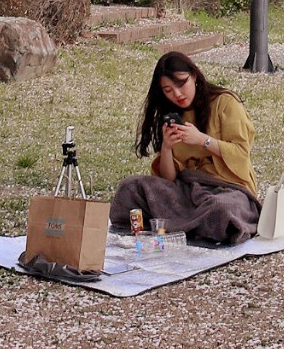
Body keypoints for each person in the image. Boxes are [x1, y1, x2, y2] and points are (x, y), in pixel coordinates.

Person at [110, 51, 261, 245]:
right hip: (189, 191)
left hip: (229, 190)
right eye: (168, 90)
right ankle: (189, 226)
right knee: (130, 188)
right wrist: (166, 148)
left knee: (220, 209)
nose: (177, 94)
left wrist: (202, 140)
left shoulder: (226, 103)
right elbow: (169, 179)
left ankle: (178, 224)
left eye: (181, 84)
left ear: (194, 76)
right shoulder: (173, 116)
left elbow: (241, 154)